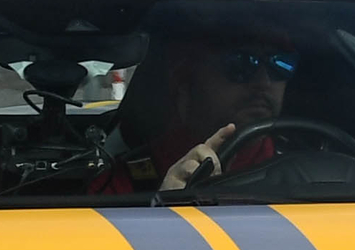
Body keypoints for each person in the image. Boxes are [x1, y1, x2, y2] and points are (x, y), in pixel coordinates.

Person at [95, 28, 297, 193]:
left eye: (280, 65)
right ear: (185, 83)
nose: (264, 82)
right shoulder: (120, 186)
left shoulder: (311, 168)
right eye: (240, 64)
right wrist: (161, 212)